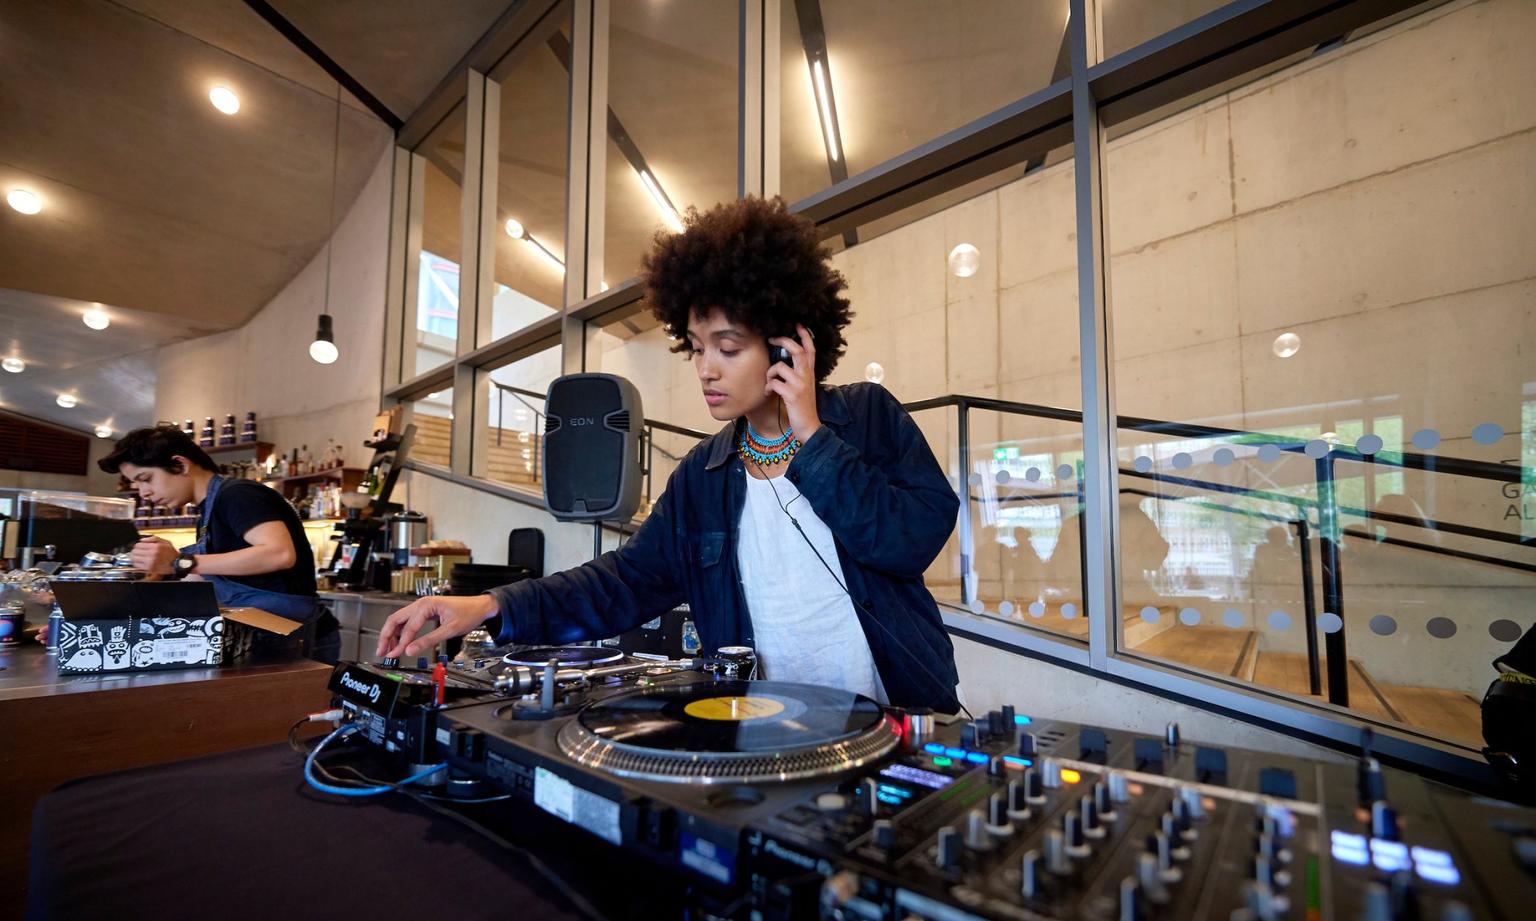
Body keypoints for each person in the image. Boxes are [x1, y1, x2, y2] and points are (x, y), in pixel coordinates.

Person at [377, 196, 962, 711]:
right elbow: (624, 582)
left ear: (786, 347)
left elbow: (910, 543)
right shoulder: (701, 477)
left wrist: (813, 435)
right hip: (762, 728)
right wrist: (491, 606)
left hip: (894, 714)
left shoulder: (866, 418)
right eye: (697, 348)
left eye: (727, 348)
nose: (706, 369)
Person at [78, 425, 337, 661]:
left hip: (295, 636)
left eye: (146, 479)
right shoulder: (209, 511)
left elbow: (279, 554)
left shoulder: (237, 495)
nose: (143, 493)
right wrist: (121, 609)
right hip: (262, 633)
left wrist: (180, 562)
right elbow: (201, 578)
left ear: (180, 464)